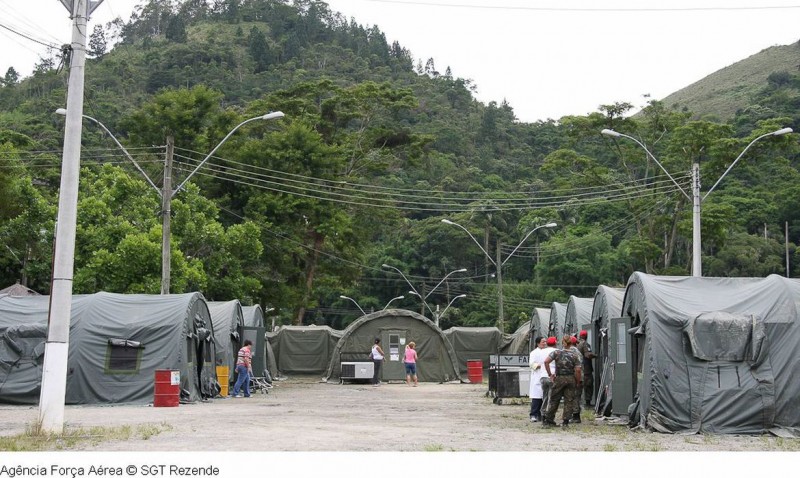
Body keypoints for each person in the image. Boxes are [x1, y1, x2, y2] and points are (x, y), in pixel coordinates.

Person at [542, 336, 582, 427]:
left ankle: (549, 420)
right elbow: (578, 370)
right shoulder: (575, 355)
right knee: (569, 400)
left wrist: (550, 374)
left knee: (554, 399)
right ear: (571, 343)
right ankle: (565, 421)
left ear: (563, 343)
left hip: (559, 378)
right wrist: (578, 381)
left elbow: (546, 361)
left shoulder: (556, 353)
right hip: (571, 378)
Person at [528, 336, 548, 422]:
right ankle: (533, 414)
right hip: (537, 376)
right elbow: (532, 364)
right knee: (536, 397)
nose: (545, 343)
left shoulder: (547, 351)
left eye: (545, 341)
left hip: (545, 376)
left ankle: (541, 414)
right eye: (543, 342)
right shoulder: (534, 353)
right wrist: (541, 365)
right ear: (538, 343)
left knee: (544, 397)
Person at [576, 330, 596, 409]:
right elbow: (588, 355)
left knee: (580, 385)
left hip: (579, 368)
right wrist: (596, 355)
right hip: (586, 368)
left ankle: (578, 403)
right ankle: (588, 403)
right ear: (586, 336)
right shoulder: (585, 344)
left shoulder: (578, 344)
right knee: (588, 385)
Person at [539, 337, 558, 418]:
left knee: (545, 396)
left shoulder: (541, 351)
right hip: (552, 376)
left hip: (543, 376)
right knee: (552, 397)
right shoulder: (556, 351)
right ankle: (549, 415)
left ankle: (543, 413)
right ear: (555, 343)